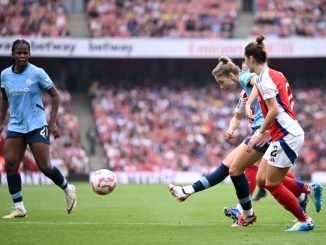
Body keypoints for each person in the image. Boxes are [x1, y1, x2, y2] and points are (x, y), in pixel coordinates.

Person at [168, 56, 322, 227]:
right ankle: (304, 190)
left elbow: (259, 82)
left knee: (237, 170)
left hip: (267, 132)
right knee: (252, 174)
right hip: (263, 132)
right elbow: (237, 115)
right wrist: (231, 129)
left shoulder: (246, 77)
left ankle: (244, 211)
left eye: (221, 81)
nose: (221, 86)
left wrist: (250, 104)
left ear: (231, 76)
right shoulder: (244, 91)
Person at [244, 35, 323, 232]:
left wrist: (258, 133)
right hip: (285, 132)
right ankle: (308, 189)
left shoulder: (264, 80)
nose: (244, 63)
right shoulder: (275, 74)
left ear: (251, 59)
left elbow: (274, 110)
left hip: (287, 134)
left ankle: (305, 220)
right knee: (262, 179)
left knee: (271, 184)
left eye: (245, 59)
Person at [0, 39, 77, 218]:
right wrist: (1, 122)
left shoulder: (37, 73)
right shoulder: (5, 75)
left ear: (29, 54)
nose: (22, 56)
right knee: (10, 164)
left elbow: (55, 96)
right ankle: (19, 207)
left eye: (25, 52)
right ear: (12, 54)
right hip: (16, 126)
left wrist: (52, 122)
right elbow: (3, 99)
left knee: (44, 166)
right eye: (18, 53)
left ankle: (68, 188)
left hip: (37, 125)